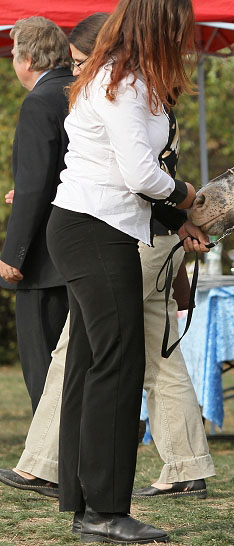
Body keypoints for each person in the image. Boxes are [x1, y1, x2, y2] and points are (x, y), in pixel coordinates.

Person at [0, 12, 214, 503]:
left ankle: (60, 473)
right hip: (117, 229)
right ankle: (93, 483)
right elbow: (131, 172)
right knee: (118, 357)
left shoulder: (124, 89)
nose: (72, 69)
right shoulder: (127, 90)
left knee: (93, 356)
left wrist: (178, 209)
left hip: (129, 231)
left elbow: (136, 174)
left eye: (78, 59)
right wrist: (184, 205)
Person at [0, 17, 74, 413]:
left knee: (43, 363)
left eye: (14, 54)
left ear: (27, 59)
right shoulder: (81, 93)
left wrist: (14, 254)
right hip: (83, 250)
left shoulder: (39, 103)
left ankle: (50, 462)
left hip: (44, 261)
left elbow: (33, 184)